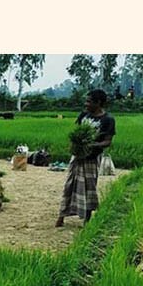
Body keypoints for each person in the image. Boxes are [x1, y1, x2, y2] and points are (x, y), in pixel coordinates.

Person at [56, 89, 116, 227]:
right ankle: (61, 216)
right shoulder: (84, 115)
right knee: (69, 185)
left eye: (89, 101)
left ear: (98, 103)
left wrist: (92, 144)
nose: (86, 104)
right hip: (77, 157)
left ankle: (86, 220)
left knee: (89, 188)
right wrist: (74, 145)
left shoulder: (107, 120)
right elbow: (76, 133)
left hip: (92, 158)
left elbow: (108, 141)